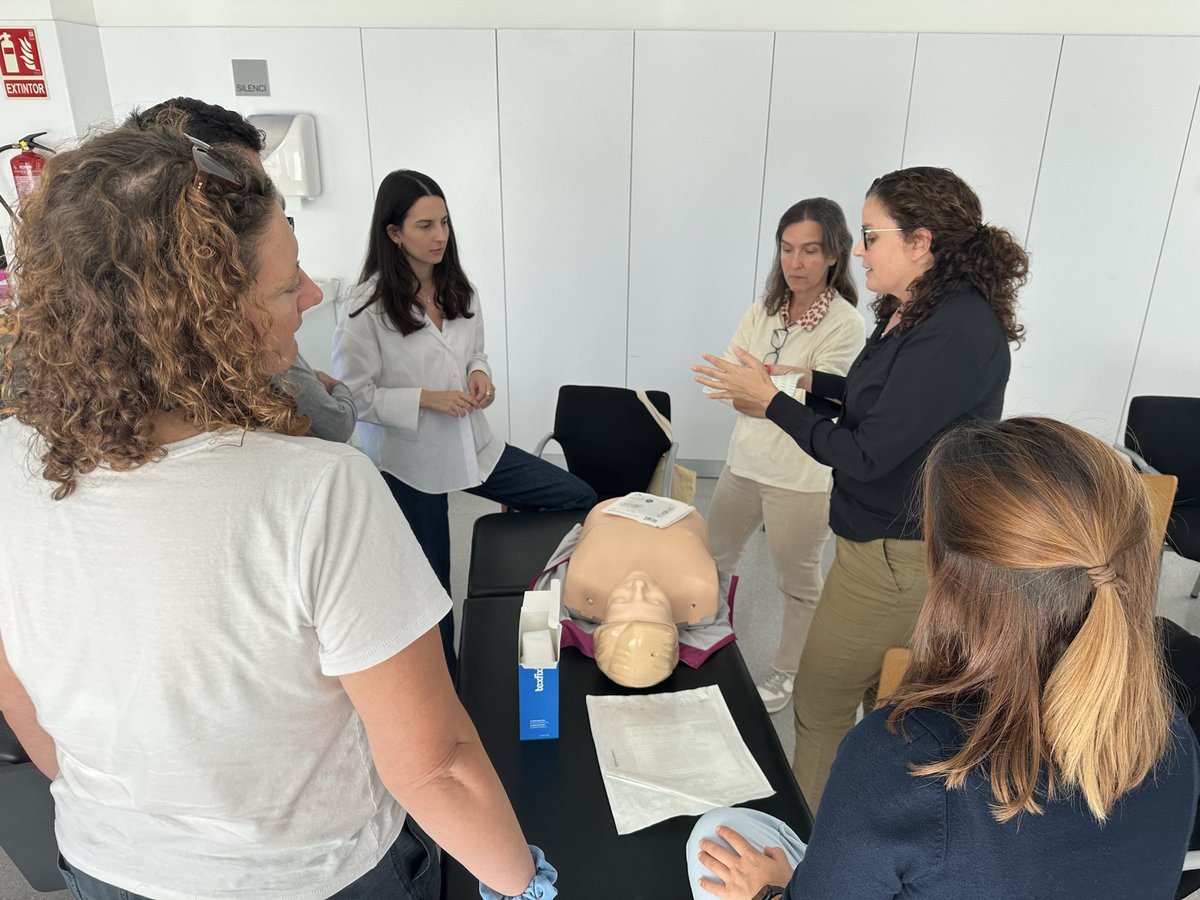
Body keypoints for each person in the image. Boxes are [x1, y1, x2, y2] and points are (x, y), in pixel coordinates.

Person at [0, 123, 556, 900]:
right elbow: (435, 763)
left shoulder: (8, 458)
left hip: (105, 862)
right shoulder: (319, 490)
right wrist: (521, 884)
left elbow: (18, 690)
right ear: (201, 319)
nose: (309, 298)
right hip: (315, 876)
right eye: (283, 285)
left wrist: (138, 816)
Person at [685, 417, 1200, 899]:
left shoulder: (902, 758)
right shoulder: (1171, 734)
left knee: (716, 838)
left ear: (949, 581)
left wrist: (775, 889)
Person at [694, 166, 1028, 809]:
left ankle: (805, 848)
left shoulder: (954, 330)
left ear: (921, 242)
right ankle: (866, 824)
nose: (860, 250)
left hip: (893, 554)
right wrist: (802, 381)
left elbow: (867, 451)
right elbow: (879, 406)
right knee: (888, 700)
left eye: (870, 235)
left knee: (820, 701)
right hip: (881, 543)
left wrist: (771, 401)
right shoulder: (919, 311)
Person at [332, 169, 596, 673]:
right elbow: (352, 397)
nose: (439, 237)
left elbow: (477, 354)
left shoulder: (460, 291)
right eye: (425, 225)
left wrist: (480, 376)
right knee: (436, 595)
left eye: (445, 223)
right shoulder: (363, 308)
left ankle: (522, 601)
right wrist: (426, 398)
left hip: (474, 445)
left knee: (574, 496)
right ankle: (450, 691)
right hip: (408, 465)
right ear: (393, 233)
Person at [705, 198, 864, 713]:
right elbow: (734, 387)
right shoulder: (762, 311)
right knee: (713, 560)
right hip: (743, 465)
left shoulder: (844, 325)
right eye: (787, 249)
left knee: (797, 583)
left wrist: (763, 389)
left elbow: (824, 403)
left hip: (800, 477)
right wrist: (768, 391)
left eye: (810, 250)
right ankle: (711, 640)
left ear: (834, 255)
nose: (795, 263)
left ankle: (786, 673)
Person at [132, 96, 357, 443]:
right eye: (237, 197)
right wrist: (330, 383)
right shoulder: (252, 333)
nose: (254, 206)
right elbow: (335, 424)